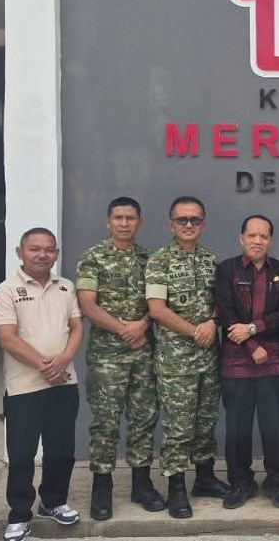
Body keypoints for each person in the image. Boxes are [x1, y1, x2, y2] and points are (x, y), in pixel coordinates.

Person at [0, 228, 83, 541]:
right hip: (23, 388)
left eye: (48, 249)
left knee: (61, 450)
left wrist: (64, 360)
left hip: (64, 384)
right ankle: (19, 515)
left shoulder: (66, 287)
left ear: (56, 254)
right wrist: (46, 367)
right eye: (34, 249)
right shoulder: (6, 290)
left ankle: (53, 502)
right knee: (21, 455)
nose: (42, 255)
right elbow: (7, 338)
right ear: (20, 252)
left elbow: (76, 327)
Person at [75, 196, 164, 520]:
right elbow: (87, 305)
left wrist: (143, 324)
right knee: (106, 423)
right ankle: (102, 488)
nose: (124, 223)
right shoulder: (93, 258)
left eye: (130, 218)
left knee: (144, 419)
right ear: (108, 222)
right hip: (107, 358)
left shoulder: (150, 260)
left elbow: (159, 303)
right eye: (118, 218)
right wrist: (125, 329)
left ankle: (142, 484)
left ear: (140, 222)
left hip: (143, 354)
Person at [146, 195, 229, 519]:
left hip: (209, 357)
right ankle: (177, 487)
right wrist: (196, 331)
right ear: (171, 224)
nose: (189, 225)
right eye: (182, 220)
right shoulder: (159, 261)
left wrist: (212, 322)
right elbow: (157, 310)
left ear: (203, 224)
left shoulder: (211, 260)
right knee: (179, 426)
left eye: (195, 219)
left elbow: (222, 302)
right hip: (176, 361)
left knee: (206, 420)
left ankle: (204, 478)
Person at [215, 214, 279, 509]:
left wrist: (253, 329)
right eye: (252, 235)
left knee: (276, 425)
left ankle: (278, 483)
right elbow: (225, 312)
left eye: (263, 236)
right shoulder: (226, 270)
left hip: (272, 360)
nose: (257, 241)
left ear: (270, 241)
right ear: (241, 238)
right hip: (236, 361)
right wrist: (250, 344)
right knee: (238, 427)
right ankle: (240, 483)